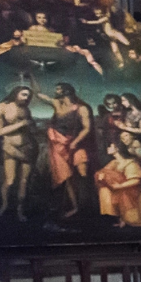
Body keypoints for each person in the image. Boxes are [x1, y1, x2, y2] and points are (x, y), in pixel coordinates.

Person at [46, 83, 94, 219]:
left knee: (83, 174)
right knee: (67, 176)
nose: (55, 92)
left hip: (77, 145)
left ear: (66, 92)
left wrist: (75, 142)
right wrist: (31, 77)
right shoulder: (57, 104)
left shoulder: (81, 108)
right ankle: (75, 207)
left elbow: (87, 128)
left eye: (58, 89)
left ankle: (87, 207)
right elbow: (39, 95)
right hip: (60, 145)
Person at [0, 85, 38, 216]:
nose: (26, 98)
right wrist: (22, 123)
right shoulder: (0, 107)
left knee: (24, 181)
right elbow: (0, 131)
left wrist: (33, 127)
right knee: (10, 180)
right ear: (15, 93)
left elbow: (31, 129)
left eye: (28, 96)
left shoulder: (26, 109)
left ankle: (20, 209)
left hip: (28, 147)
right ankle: (5, 205)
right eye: (23, 94)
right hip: (11, 148)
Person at [96, 140, 141, 227]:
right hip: (121, 191)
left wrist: (120, 185)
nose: (108, 148)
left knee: (133, 219)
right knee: (104, 190)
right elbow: (103, 173)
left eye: (110, 146)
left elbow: (136, 180)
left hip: (134, 192)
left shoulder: (130, 163)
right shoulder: (113, 162)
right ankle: (121, 219)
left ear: (117, 149)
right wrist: (101, 176)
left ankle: (127, 219)